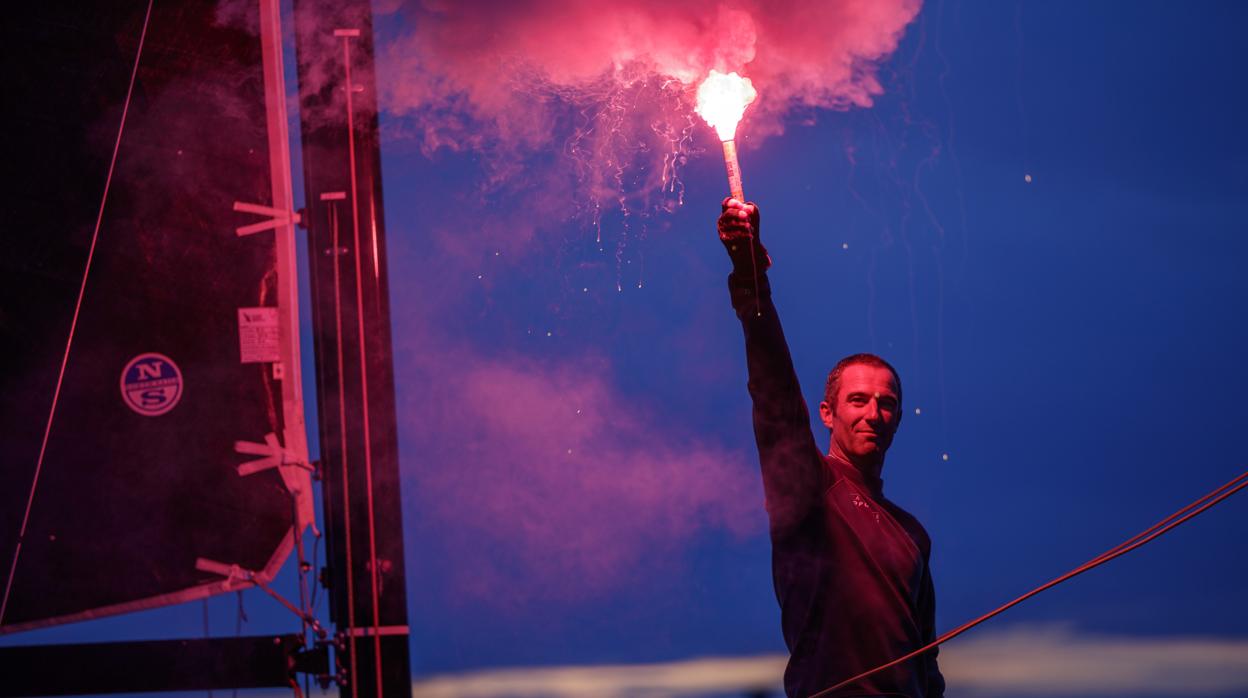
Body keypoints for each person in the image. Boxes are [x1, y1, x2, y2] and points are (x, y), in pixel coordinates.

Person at [718, 197, 945, 698]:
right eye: (858, 400)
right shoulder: (808, 493)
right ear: (828, 414)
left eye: (886, 404)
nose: (872, 413)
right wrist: (751, 281)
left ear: (898, 420)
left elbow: (927, 663)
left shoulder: (913, 534)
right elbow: (774, 394)